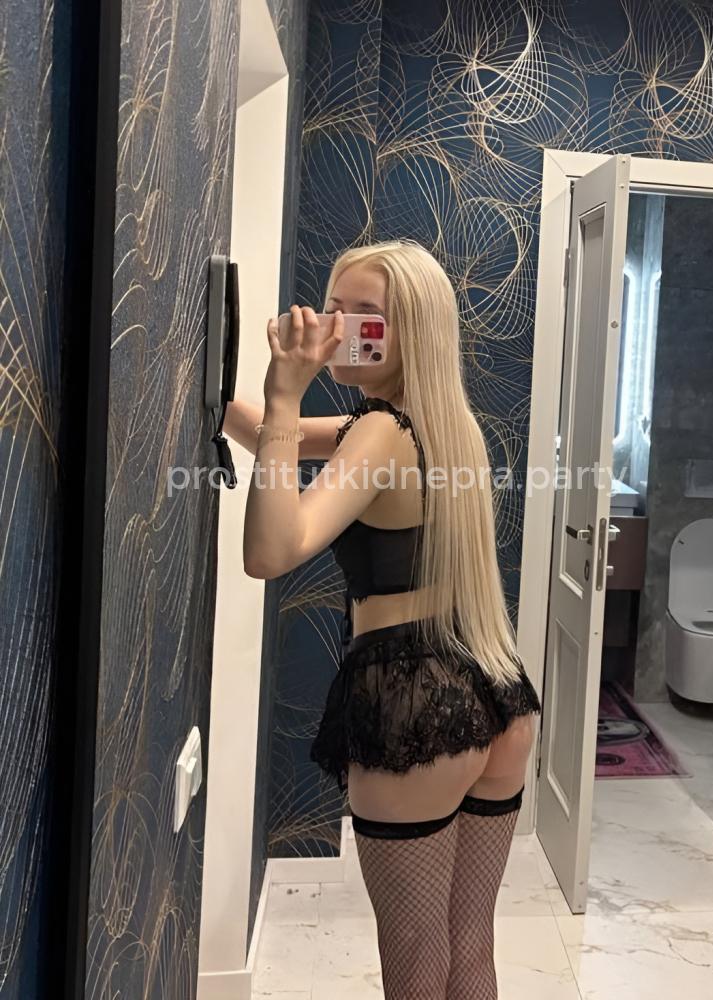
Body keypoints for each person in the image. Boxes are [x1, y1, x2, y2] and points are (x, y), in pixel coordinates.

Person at [226, 239, 541, 1000]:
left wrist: (284, 395)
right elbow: (276, 439)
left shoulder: (379, 433)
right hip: (492, 686)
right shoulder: (443, 423)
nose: (340, 327)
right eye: (334, 308)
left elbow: (271, 552)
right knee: (469, 947)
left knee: (414, 962)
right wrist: (238, 394)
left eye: (365, 314)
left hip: (413, 702)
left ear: (413, 331)